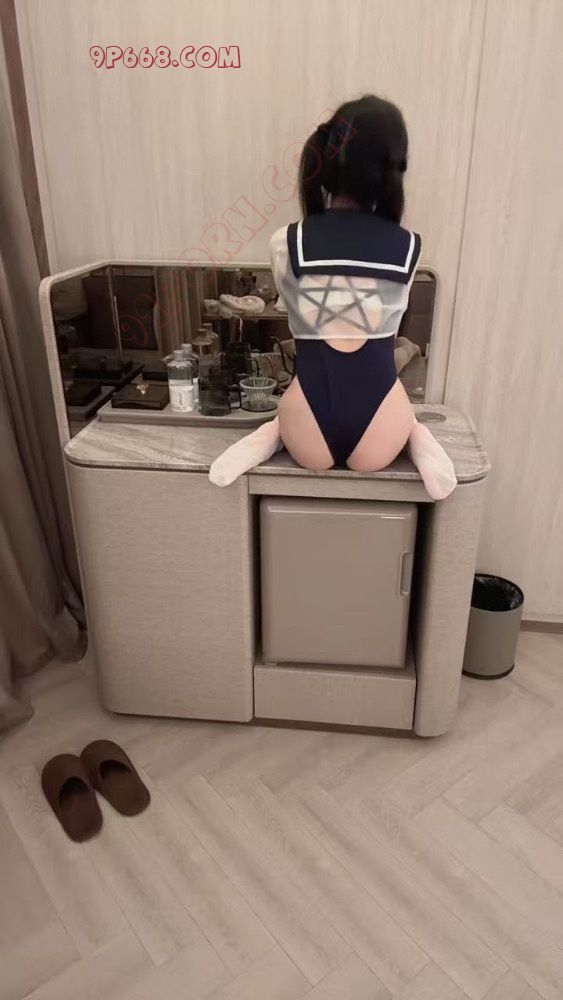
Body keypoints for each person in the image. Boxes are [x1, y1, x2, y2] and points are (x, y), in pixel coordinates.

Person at [209, 94, 456, 498]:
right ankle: (416, 435)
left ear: (325, 161)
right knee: (406, 419)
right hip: (382, 426)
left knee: (285, 420)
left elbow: (293, 308)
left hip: (305, 423)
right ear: (393, 171)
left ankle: (274, 433)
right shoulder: (409, 248)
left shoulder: (285, 243)